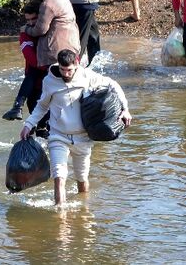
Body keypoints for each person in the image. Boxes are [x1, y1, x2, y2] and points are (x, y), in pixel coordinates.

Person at [20, 49, 132, 206]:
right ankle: (61, 218)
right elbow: (42, 106)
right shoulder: (49, 81)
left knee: (82, 179)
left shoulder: (87, 76)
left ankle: (84, 213)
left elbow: (113, 85)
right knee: (59, 177)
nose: (66, 74)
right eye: (63, 70)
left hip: (83, 138)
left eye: (69, 70)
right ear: (59, 66)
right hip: (58, 136)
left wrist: (125, 109)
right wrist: (28, 124)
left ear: (77, 64)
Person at [1, 2, 50, 137]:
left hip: (48, 86)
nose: (30, 23)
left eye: (33, 19)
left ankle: (18, 106)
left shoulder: (50, 31)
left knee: (47, 127)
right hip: (34, 87)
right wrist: (48, 66)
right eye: (27, 20)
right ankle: (18, 107)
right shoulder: (25, 33)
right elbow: (31, 59)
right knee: (39, 128)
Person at [22, 0, 80, 68]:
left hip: (55, 51)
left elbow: (40, 30)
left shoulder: (48, 3)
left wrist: (26, 30)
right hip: (72, 45)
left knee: (51, 78)